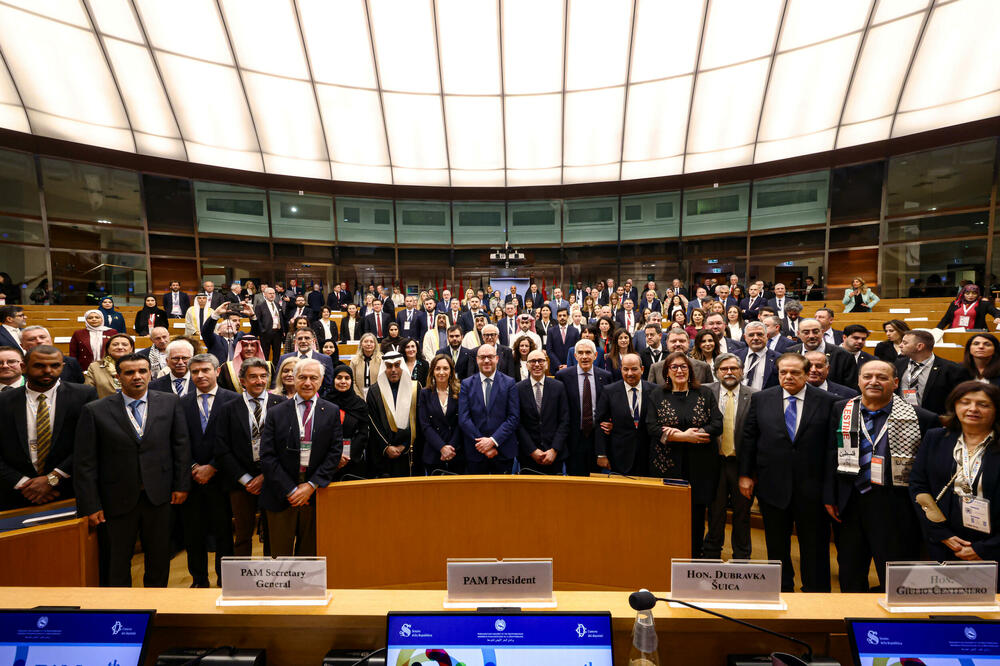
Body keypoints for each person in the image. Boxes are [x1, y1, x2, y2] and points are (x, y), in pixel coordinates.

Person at [74, 352, 190, 587]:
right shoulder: (95, 410)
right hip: (115, 499)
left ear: (150, 374)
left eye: (142, 371)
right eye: (129, 372)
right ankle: (120, 607)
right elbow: (85, 462)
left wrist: (181, 485)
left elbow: (181, 446)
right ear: (118, 377)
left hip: (159, 496)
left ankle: (157, 603)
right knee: (116, 561)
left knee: (159, 558)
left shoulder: (170, 402)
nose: (137, 377)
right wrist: (91, 504)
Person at [825, 360, 938, 592]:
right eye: (867, 376)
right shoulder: (841, 409)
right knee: (850, 571)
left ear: (895, 383)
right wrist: (830, 495)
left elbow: (928, 470)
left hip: (896, 505)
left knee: (896, 575)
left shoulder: (922, 418)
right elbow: (830, 454)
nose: (873, 382)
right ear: (858, 381)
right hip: (850, 502)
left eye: (882, 377)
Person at [739, 353, 836, 592]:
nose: (788, 377)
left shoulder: (828, 401)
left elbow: (833, 448)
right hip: (772, 485)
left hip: (813, 488)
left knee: (814, 545)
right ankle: (781, 589)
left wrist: (831, 489)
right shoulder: (762, 398)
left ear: (807, 374)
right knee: (776, 543)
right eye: (783, 372)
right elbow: (750, 438)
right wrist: (745, 474)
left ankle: (816, 592)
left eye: (795, 372)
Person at [909, 381, 1000, 564]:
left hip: (994, 544)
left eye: (983, 404)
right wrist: (941, 533)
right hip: (945, 540)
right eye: (965, 402)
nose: (973, 409)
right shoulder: (935, 438)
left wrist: (986, 548)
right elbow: (919, 485)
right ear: (954, 405)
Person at [259, 358, 342, 557]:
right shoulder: (275, 412)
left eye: (313, 378)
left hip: (315, 495)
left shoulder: (331, 411)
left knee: (310, 556)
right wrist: (291, 490)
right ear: (294, 379)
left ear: (321, 381)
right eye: (302, 377)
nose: (307, 383)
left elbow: (334, 452)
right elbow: (267, 455)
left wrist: (311, 486)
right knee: (279, 557)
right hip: (280, 494)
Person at [0, 346, 97, 510]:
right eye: (39, 365)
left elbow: (89, 444)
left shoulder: (84, 395)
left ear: (63, 367)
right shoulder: (3, 401)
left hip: (69, 490)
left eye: (55, 365)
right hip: (16, 493)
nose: (48, 371)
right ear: (23, 367)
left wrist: (52, 479)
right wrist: (24, 484)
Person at [646, 351, 722, 557]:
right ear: (667, 372)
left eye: (683, 366)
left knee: (697, 514)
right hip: (667, 466)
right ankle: (668, 554)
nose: (679, 370)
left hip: (700, 466)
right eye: (674, 367)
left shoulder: (704, 393)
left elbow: (717, 424)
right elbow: (651, 427)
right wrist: (682, 437)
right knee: (668, 514)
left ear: (690, 370)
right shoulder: (657, 395)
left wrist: (697, 434)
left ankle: (695, 555)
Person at [214, 357, 285, 557]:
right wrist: (246, 479)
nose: (259, 381)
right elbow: (222, 448)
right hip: (240, 482)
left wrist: (266, 476)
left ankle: (273, 573)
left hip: (274, 479)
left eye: (263, 376)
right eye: (253, 377)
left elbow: (286, 446)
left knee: (273, 533)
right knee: (243, 534)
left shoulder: (281, 404)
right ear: (242, 380)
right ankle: (242, 575)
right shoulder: (228, 408)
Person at [179, 353, 239, 587]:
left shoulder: (234, 400)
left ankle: (226, 580)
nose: (200, 375)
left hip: (222, 478)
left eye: (205, 370)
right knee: (193, 533)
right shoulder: (180, 402)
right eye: (195, 371)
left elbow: (236, 440)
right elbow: (178, 441)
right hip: (191, 479)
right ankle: (199, 579)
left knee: (224, 533)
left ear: (217, 371)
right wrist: (194, 466)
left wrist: (213, 466)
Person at [702, 353, 756, 560]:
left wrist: (751, 472)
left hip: (741, 464)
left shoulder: (755, 396)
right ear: (716, 372)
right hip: (713, 462)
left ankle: (742, 556)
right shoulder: (705, 392)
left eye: (734, 368)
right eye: (724, 369)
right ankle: (711, 553)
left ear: (741, 371)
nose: (729, 372)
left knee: (742, 513)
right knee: (715, 511)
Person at [458, 343, 520, 474]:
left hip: (502, 450)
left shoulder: (509, 383)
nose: (486, 360)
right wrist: (484, 445)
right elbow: (464, 419)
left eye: (490, 357)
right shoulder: (466, 384)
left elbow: (513, 417)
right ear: (477, 360)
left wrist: (493, 441)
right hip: (476, 451)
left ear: (497, 359)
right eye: (482, 357)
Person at [556, 339, 612, 477]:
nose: (584, 356)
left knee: (597, 480)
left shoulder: (605, 377)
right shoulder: (563, 376)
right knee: (575, 482)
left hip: (597, 439)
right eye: (580, 353)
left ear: (595, 355)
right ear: (575, 356)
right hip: (573, 439)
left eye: (588, 352)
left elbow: (610, 407)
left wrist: (611, 423)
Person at [594, 353, 653, 477]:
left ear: (642, 369)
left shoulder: (655, 390)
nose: (629, 373)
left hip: (648, 455)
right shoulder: (609, 391)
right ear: (621, 369)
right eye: (625, 369)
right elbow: (600, 424)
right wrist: (601, 454)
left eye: (634, 369)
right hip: (619, 455)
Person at [514, 350, 569, 475]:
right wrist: (532, 450)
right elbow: (518, 423)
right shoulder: (518, 389)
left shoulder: (559, 387)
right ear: (527, 365)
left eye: (541, 361)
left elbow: (565, 420)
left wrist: (554, 449)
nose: (537, 364)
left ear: (547, 364)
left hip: (555, 455)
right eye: (533, 361)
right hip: (528, 456)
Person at [895, 329, 971, 416]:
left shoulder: (952, 369)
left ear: (919, 346)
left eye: (905, 343)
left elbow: (960, 399)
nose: (900, 345)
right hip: (901, 417)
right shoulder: (898, 364)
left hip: (934, 419)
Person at [367, 351, 419, 477]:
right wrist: (386, 447)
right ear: (384, 369)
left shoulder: (415, 389)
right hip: (384, 452)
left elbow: (418, 421)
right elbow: (373, 423)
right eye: (389, 366)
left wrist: (405, 445)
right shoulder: (374, 391)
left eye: (397, 365)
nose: (393, 370)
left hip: (409, 450)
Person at [418, 354, 463, 475]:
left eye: (445, 368)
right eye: (437, 368)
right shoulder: (425, 393)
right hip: (434, 453)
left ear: (451, 371)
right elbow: (425, 425)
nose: (441, 372)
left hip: (456, 452)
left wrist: (450, 448)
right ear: (432, 371)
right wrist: (442, 448)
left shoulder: (460, 391)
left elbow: (461, 423)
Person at [788, 318, 855, 387]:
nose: (811, 336)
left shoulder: (843, 355)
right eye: (806, 332)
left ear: (822, 332)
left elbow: (850, 388)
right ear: (798, 334)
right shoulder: (790, 353)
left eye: (815, 332)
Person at [279, 329, 335, 396]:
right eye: (300, 338)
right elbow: (276, 382)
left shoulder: (325, 359)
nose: (303, 341)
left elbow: (329, 385)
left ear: (313, 341)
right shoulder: (284, 358)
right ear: (295, 341)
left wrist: (318, 399)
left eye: (307, 338)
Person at [648, 329, 714, 385]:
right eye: (673, 341)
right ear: (667, 343)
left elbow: (710, 393)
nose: (678, 344)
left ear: (688, 343)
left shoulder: (704, 367)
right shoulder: (655, 368)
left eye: (682, 341)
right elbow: (650, 394)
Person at [84, 333, 135, 398]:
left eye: (124, 345)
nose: (120, 347)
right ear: (108, 349)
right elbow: (88, 393)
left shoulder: (139, 366)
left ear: (131, 349)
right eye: (115, 345)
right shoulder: (95, 367)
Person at [732, 321, 779, 390]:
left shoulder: (778, 359)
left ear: (767, 336)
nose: (755, 338)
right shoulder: (735, 356)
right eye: (751, 335)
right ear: (745, 337)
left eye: (760, 334)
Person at [254, 287, 287, 364]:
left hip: (277, 332)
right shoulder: (260, 306)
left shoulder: (277, 304)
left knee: (277, 354)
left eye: (273, 293)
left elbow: (281, 318)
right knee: (265, 354)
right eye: (270, 293)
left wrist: (283, 330)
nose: (272, 295)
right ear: (265, 295)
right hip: (266, 333)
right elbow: (258, 320)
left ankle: (275, 369)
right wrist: (262, 331)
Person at [546, 308, 581, 374]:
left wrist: (569, 364)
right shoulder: (551, 331)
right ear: (557, 317)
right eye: (560, 316)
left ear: (568, 317)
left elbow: (577, 349)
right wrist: (559, 365)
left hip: (571, 367)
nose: (562, 317)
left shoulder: (575, 331)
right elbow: (549, 350)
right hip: (556, 368)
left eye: (564, 315)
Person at [350, 333, 381, 398]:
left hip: (377, 396)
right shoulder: (354, 361)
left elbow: (383, 380)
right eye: (366, 341)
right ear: (361, 344)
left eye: (371, 342)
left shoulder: (381, 360)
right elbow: (352, 381)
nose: (368, 344)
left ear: (375, 344)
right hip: (358, 396)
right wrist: (359, 397)